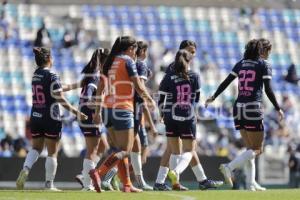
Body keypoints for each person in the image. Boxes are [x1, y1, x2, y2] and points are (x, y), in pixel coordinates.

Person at [205, 39, 284, 191]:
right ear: (262, 51)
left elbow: (226, 82)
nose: (269, 54)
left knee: (249, 148)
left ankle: (250, 183)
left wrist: (213, 97)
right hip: (253, 107)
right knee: (258, 149)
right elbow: (268, 89)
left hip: (238, 107)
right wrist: (277, 107)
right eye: (268, 51)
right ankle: (230, 167)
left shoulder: (241, 63)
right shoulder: (264, 65)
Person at [154, 40, 223, 191]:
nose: (192, 54)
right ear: (182, 52)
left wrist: (162, 111)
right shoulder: (184, 72)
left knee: (180, 150)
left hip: (170, 114)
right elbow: (196, 98)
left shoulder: (172, 73)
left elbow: (162, 95)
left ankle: (194, 181)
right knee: (183, 150)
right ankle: (169, 179)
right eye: (189, 51)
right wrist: (194, 111)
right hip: (185, 113)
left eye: (193, 51)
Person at [89, 36, 155, 193]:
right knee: (126, 149)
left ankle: (127, 184)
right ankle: (98, 173)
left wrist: (97, 112)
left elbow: (99, 89)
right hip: (123, 109)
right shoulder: (127, 61)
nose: (135, 53)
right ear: (130, 48)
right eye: (134, 49)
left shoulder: (109, 62)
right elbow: (138, 84)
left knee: (119, 149)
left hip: (107, 109)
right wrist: (149, 99)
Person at [16, 47, 87, 191]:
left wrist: (76, 85)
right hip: (51, 117)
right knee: (52, 152)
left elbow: (56, 88)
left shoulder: (36, 74)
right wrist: (75, 112)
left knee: (36, 148)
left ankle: (25, 169)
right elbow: (58, 96)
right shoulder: (53, 75)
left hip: (35, 115)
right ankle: (49, 184)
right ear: (49, 59)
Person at [63, 48, 110, 191]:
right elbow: (88, 97)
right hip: (89, 115)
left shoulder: (92, 74)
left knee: (103, 147)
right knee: (92, 150)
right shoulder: (96, 77)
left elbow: (77, 86)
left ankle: (85, 176)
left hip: (85, 113)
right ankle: (87, 185)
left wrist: (64, 88)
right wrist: (97, 111)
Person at [130, 41, 157, 190]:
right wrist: (149, 98)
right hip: (134, 108)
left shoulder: (132, 64)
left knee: (134, 147)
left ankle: (133, 180)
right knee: (131, 148)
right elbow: (140, 86)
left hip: (129, 107)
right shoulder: (141, 65)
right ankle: (105, 175)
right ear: (142, 52)